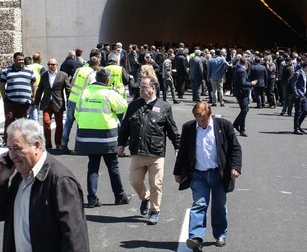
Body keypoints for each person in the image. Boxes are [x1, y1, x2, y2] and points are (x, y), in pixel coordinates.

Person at [0, 119, 90, 251]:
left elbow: (74, 239)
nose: (12, 156)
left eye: (17, 148)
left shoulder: (61, 181)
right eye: (9, 149)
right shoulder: (20, 177)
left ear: (36, 145)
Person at [174, 102, 242, 251]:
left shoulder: (224, 126)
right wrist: (177, 172)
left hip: (219, 173)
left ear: (209, 115)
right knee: (199, 204)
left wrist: (235, 167)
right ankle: (196, 238)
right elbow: (183, 151)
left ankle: (220, 235)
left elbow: (235, 148)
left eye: (203, 119)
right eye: (198, 119)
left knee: (219, 206)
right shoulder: (189, 128)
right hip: (198, 174)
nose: (201, 122)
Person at [117, 76, 180, 225]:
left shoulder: (164, 106)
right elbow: (125, 127)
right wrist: (120, 144)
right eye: (140, 87)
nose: (141, 90)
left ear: (153, 88)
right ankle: (145, 198)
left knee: (156, 184)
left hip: (156, 153)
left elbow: (172, 129)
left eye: (144, 87)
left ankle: (154, 211)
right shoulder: (133, 105)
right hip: (137, 151)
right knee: (134, 180)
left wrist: (177, 145)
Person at [74, 67, 131, 208]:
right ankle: (120, 196)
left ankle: (92, 198)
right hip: (106, 137)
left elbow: (77, 113)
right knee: (113, 166)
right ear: (107, 80)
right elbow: (123, 107)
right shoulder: (109, 93)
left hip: (88, 136)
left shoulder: (85, 92)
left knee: (92, 167)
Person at [60, 56, 100, 153]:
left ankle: (63, 144)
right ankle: (78, 147)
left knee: (68, 123)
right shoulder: (92, 74)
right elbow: (92, 89)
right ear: (95, 65)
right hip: (81, 101)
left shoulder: (79, 70)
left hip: (72, 98)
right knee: (80, 124)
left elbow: (72, 83)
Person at [33, 58, 71, 149]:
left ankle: (58, 143)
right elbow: (40, 89)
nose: (50, 66)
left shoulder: (63, 75)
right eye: (49, 64)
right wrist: (36, 102)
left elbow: (68, 90)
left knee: (59, 124)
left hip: (58, 103)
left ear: (57, 65)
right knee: (46, 122)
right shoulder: (44, 75)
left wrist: (70, 102)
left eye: (53, 64)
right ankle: (48, 144)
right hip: (46, 103)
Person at [0, 52, 36, 144]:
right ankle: (7, 139)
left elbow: (34, 84)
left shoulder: (29, 71)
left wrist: (34, 96)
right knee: (9, 120)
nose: (21, 61)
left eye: (22, 59)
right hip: (10, 101)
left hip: (24, 102)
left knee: (22, 122)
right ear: (14, 60)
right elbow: (2, 84)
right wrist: (4, 97)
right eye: (19, 59)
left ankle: (21, 140)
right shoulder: (6, 71)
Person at [232, 57, 256, 137]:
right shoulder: (242, 71)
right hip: (242, 92)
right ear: (245, 63)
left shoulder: (237, 69)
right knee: (244, 110)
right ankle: (241, 129)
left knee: (245, 110)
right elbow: (243, 83)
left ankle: (236, 125)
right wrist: (251, 83)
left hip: (239, 92)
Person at [290, 61, 307, 135]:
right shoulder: (298, 73)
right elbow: (293, 84)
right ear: (306, 66)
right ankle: (296, 128)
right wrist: (296, 93)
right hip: (299, 95)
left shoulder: (305, 73)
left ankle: (298, 125)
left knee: (305, 111)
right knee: (298, 112)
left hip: (304, 95)